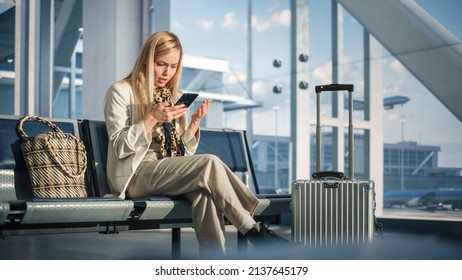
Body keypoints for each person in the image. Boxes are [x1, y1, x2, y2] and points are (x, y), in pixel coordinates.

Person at [104, 31, 287, 257]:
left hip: (167, 170)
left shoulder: (171, 94)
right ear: (146, 59)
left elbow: (182, 152)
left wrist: (193, 124)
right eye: (161, 64)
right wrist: (151, 118)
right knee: (209, 163)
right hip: (135, 173)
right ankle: (253, 228)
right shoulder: (121, 91)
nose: (166, 72)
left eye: (173, 66)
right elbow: (119, 146)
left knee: (205, 193)